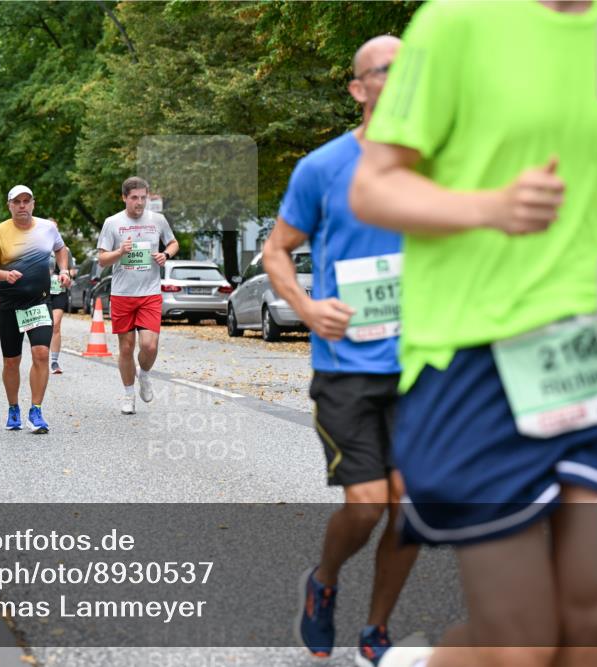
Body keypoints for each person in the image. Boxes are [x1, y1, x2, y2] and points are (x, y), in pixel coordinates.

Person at [348, 3, 597, 667]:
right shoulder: (455, 23)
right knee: (521, 644)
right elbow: (374, 189)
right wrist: (487, 208)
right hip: (474, 357)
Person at [263, 35, 418, 666]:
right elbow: (277, 250)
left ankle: (376, 630)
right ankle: (324, 581)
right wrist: (305, 307)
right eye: (387, 70)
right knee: (368, 503)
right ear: (358, 89)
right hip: (346, 366)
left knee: (409, 507)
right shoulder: (322, 168)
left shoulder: (443, 164)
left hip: (423, 366)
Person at [0, 185, 71, 434]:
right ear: (9, 205)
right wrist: (5, 274)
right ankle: (13, 408)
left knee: (41, 353)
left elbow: (61, 249)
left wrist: (63, 270)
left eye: (26, 201)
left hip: (39, 301)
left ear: (33, 204)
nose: (22, 206)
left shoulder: (47, 228)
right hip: (10, 304)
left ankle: (36, 410)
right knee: (12, 361)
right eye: (17, 202)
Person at [97, 177, 178, 414]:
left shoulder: (157, 220)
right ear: (124, 198)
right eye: (134, 198)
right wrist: (120, 251)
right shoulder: (112, 223)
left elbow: (173, 243)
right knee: (126, 348)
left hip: (150, 292)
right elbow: (102, 259)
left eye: (143, 197)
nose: (139, 203)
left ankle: (144, 374)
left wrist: (166, 255)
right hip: (122, 293)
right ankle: (128, 394)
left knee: (149, 346)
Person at [46, 218, 76, 375]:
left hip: (58, 291)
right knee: (42, 327)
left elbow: (73, 270)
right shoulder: (38, 248)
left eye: (55, 228)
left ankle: (54, 361)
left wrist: (66, 275)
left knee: (55, 325)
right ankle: (40, 357)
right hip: (41, 293)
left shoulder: (65, 250)